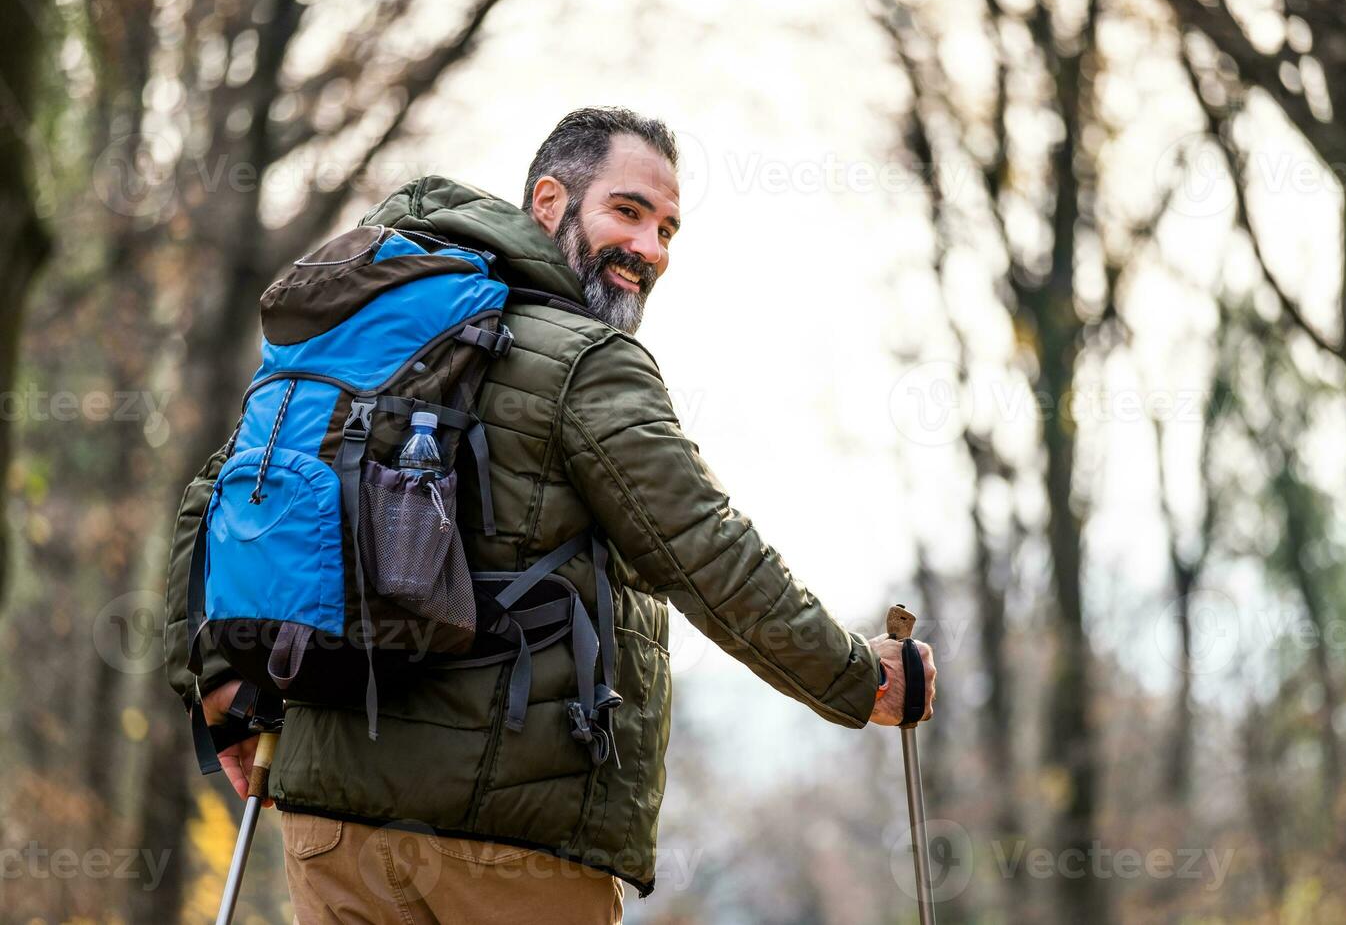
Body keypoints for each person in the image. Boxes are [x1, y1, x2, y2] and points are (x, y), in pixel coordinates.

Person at [192, 106, 937, 924]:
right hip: (504, 847)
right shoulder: (588, 364)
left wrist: (215, 688)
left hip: (327, 827)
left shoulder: (361, 336)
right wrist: (857, 679)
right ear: (549, 202)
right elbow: (707, 553)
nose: (650, 250)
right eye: (628, 211)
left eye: (668, 230)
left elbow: (220, 496)